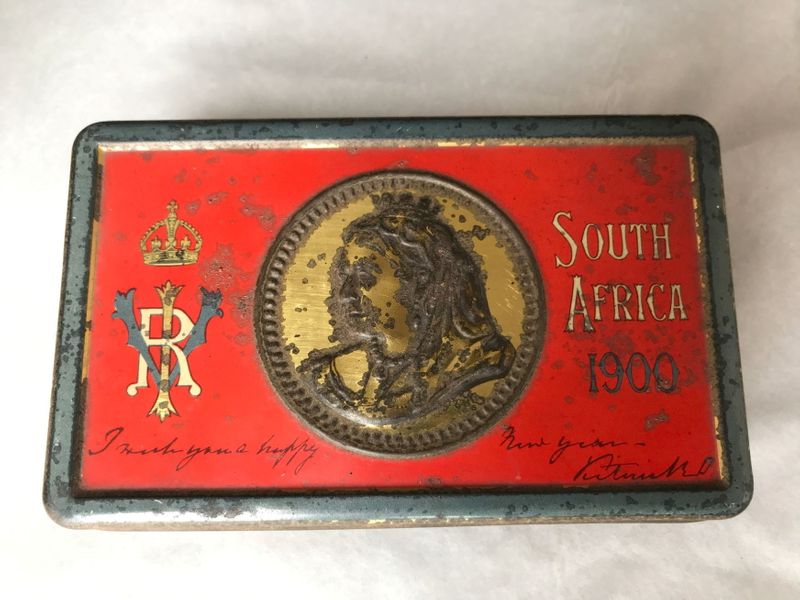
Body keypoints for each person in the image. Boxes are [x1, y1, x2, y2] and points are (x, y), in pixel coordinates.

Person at [299, 192, 515, 422]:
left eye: (364, 276)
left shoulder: (476, 362)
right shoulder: (333, 375)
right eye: (346, 277)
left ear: (421, 281)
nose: (346, 295)